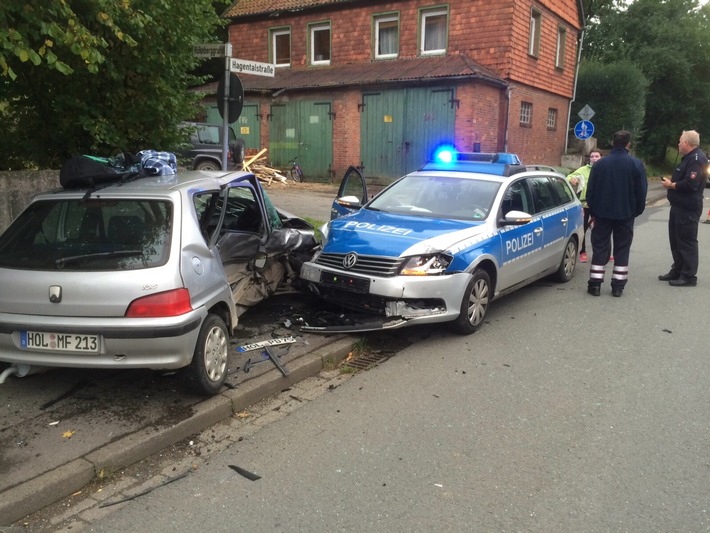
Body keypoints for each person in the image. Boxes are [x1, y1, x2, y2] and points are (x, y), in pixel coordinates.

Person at [585, 130, 647, 297]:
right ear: (628, 144)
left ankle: (595, 285)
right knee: (622, 249)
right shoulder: (636, 164)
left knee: (599, 248)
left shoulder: (600, 165)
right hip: (625, 214)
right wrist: (636, 211)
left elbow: (590, 191)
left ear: (613, 143)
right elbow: (641, 192)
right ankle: (618, 286)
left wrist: (594, 210)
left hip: (602, 213)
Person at [659, 130, 708, 286]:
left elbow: (691, 184)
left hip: (688, 208)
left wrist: (671, 185)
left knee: (686, 241)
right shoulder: (688, 159)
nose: (678, 144)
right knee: (676, 239)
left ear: (686, 143)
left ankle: (688, 276)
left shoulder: (696, 159)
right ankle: (678, 269)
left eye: (680, 141)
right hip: (679, 206)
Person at [566, 149, 602, 262]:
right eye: (592, 156)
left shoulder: (604, 169)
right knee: (583, 229)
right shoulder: (583, 170)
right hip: (585, 204)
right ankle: (583, 252)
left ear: (601, 157)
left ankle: (601, 252)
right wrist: (573, 180)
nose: (594, 158)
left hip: (599, 204)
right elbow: (568, 177)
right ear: (589, 158)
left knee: (601, 229)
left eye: (597, 156)